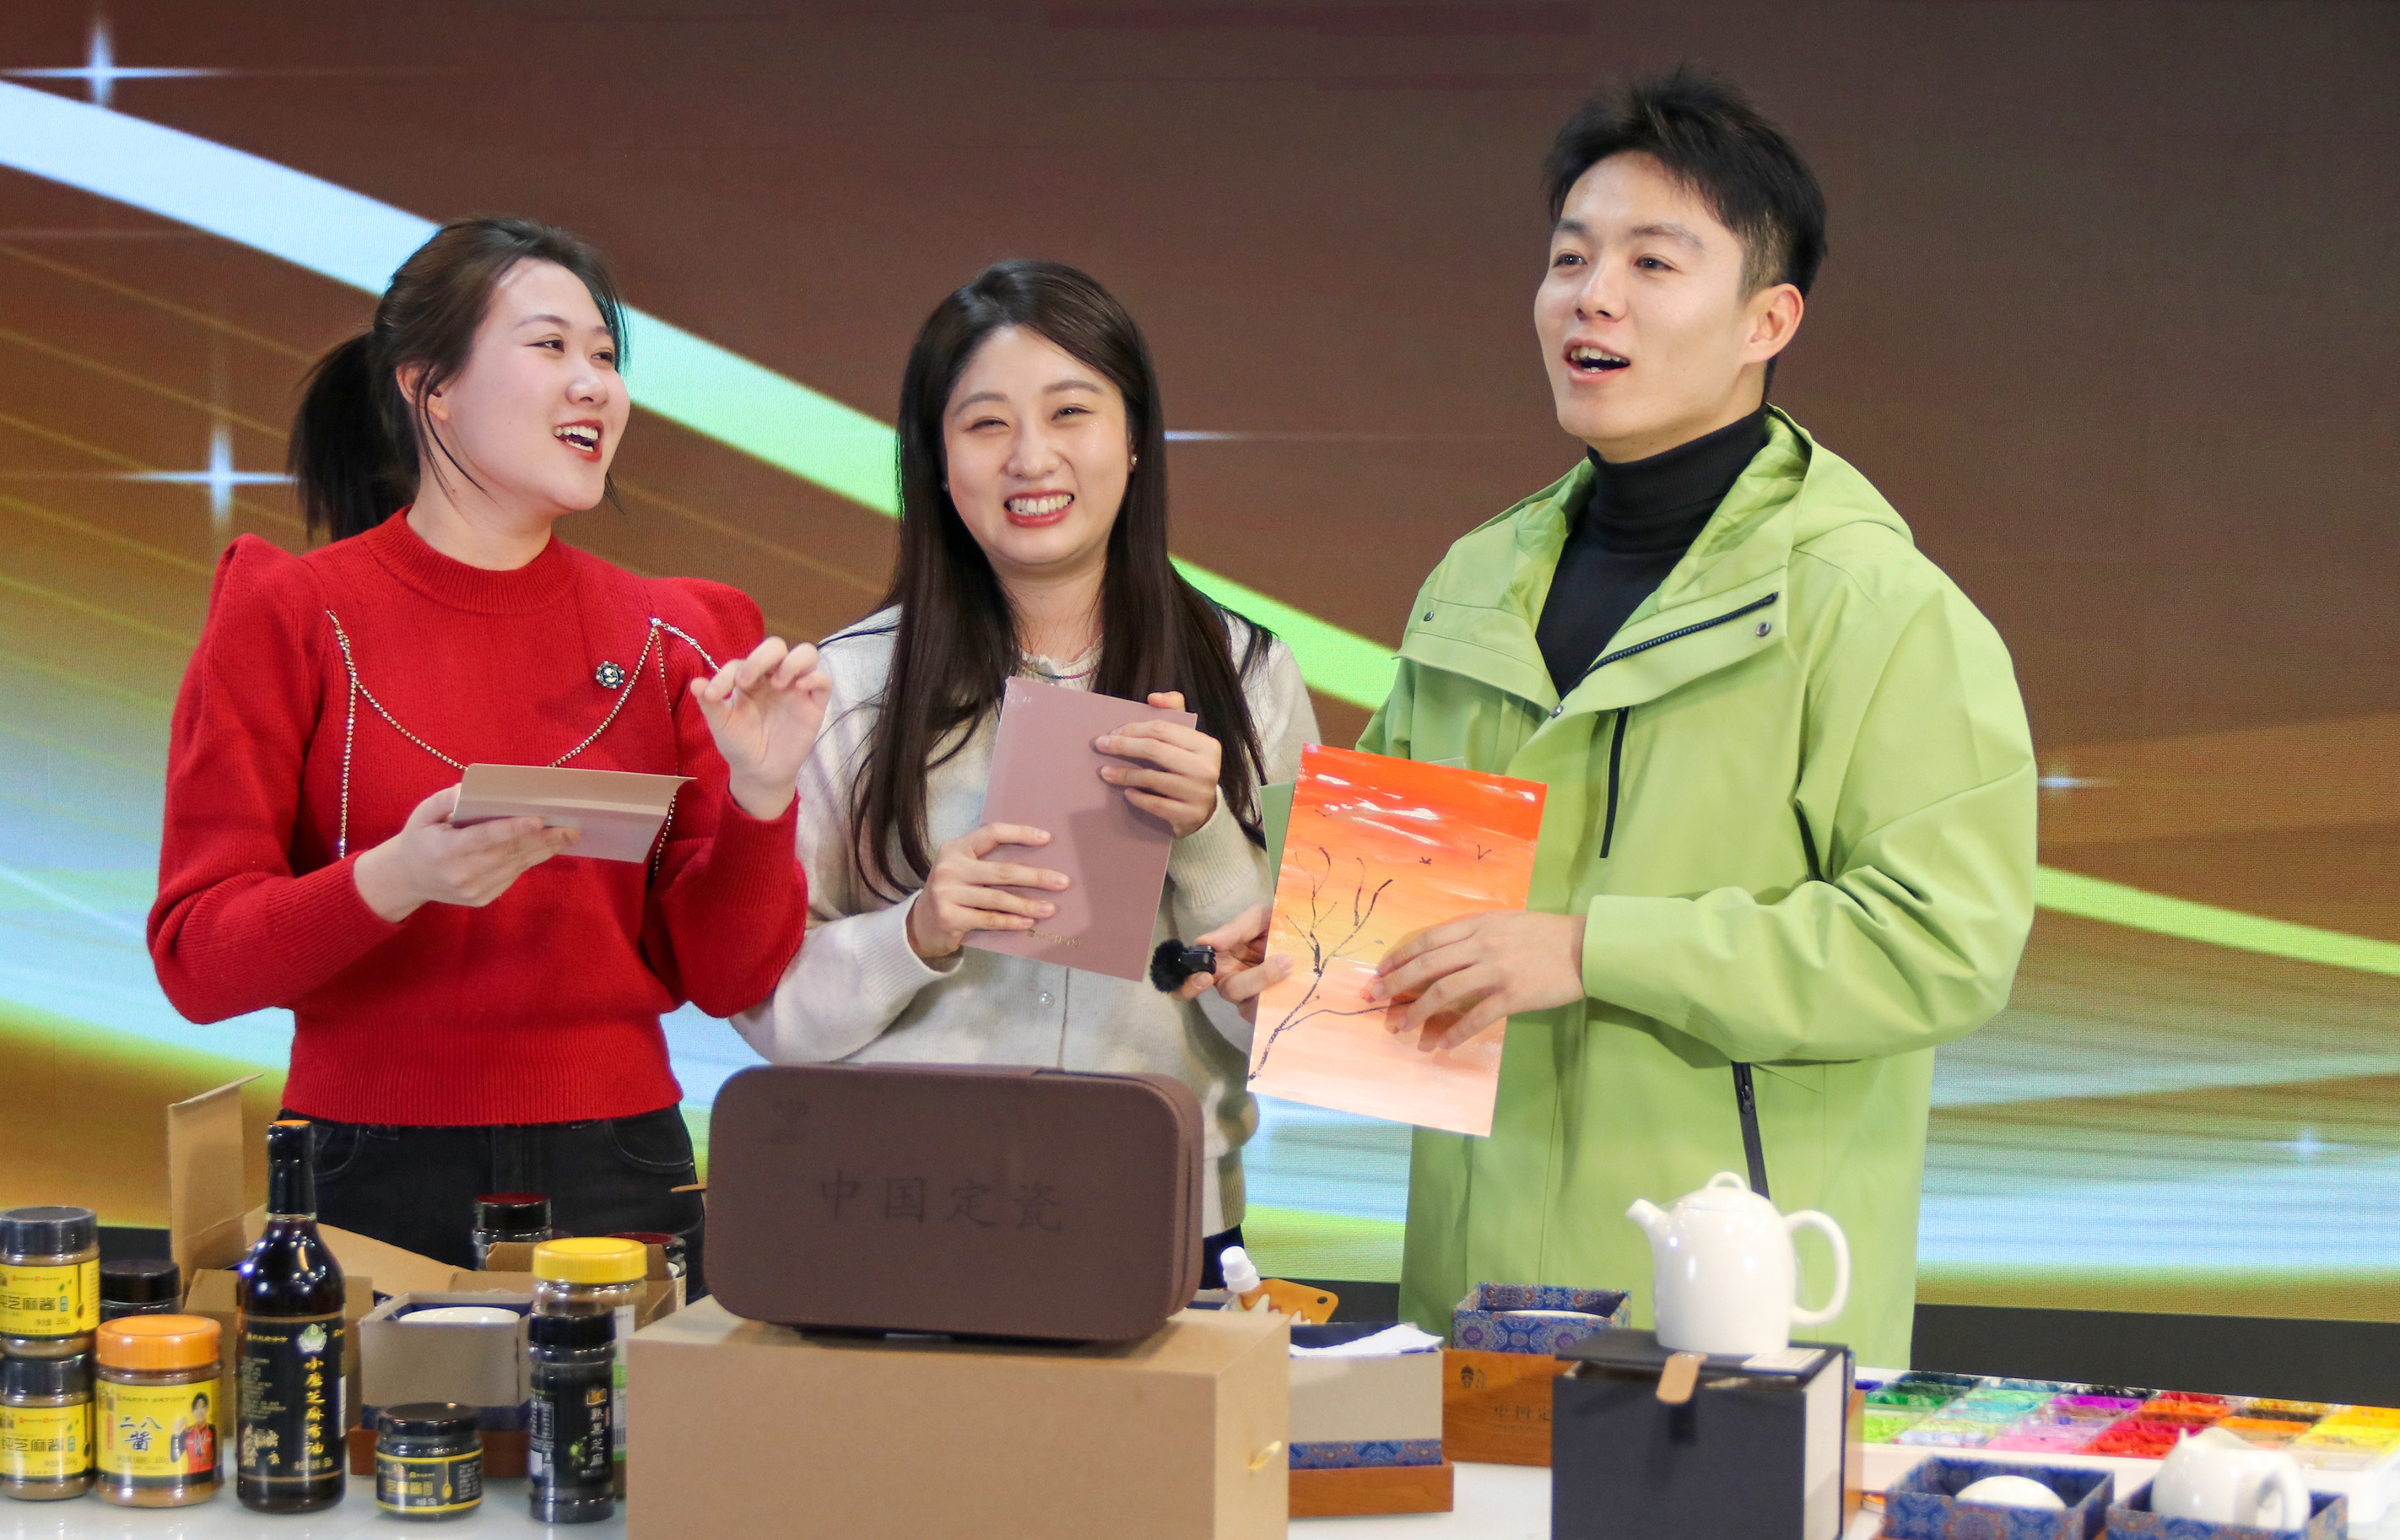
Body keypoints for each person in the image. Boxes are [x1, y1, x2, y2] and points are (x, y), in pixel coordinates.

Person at [1194, 70, 2035, 1364]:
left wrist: (1595, 950)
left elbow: (1941, 942)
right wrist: (1307, 932)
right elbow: (1404, 880)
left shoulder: (1875, 609)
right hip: (1471, 1296)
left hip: (1736, 1316)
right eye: (1571, 257)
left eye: (1654, 262)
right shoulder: (1476, 582)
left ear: (1768, 318)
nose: (1593, 295)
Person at [150, 217, 830, 1279]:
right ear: (431, 387)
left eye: (605, 356)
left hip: (622, 1168)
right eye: (550, 346)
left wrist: (763, 794)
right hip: (363, 1175)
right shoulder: (291, 615)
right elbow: (198, 959)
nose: (594, 385)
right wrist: (396, 877)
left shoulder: (682, 634)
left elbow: (728, 972)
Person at [732, 261, 1320, 1262]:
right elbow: (771, 1009)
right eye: (986, 423)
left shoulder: (1250, 674)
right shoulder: (847, 685)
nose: (1031, 458)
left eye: (1070, 412)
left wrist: (1207, 836)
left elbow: (1302, 1022)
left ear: (1134, 439)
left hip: (1159, 1222)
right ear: (936, 460)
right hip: (902, 1220)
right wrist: (915, 932)